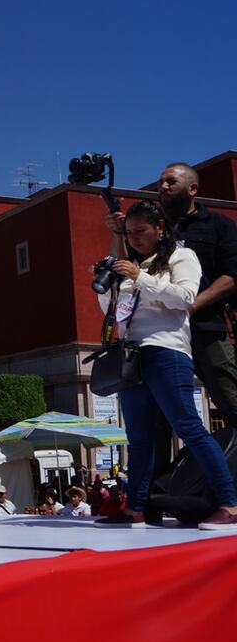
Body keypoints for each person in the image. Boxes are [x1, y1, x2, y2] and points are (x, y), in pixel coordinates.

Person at [95, 200, 237, 529]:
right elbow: (113, 309)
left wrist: (140, 277)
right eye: (129, 233)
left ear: (160, 228)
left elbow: (186, 298)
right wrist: (108, 283)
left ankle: (229, 504)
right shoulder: (131, 265)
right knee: (140, 437)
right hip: (132, 355)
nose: (134, 238)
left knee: (189, 427)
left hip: (167, 350)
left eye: (141, 231)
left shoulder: (180, 257)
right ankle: (136, 509)